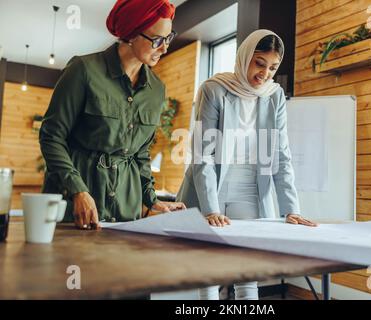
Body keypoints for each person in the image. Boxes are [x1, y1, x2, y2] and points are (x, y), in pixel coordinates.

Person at [177, 29, 317, 300]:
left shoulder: (274, 96)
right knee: (208, 271)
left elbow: (280, 154)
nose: (265, 74)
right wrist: (211, 210)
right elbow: (202, 155)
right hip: (212, 185)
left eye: (273, 67)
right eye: (259, 63)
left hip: (251, 189)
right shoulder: (214, 90)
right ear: (244, 58)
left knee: (246, 271)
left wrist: (291, 209)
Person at [39, 0, 185, 230]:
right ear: (131, 34)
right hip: (74, 205)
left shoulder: (156, 90)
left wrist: (151, 199)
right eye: (157, 40)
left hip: (127, 211)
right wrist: (78, 189)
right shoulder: (83, 70)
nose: (164, 48)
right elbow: (51, 136)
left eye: (168, 38)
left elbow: (141, 154)